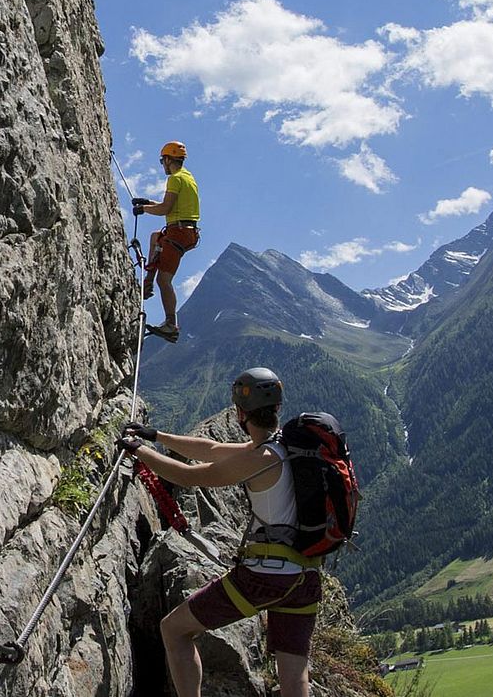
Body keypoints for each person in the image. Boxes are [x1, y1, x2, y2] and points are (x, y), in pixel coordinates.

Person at [120, 367, 321, 697]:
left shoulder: (260, 458)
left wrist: (138, 451)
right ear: (277, 408)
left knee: (174, 630)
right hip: (305, 576)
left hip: (264, 577)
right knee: (294, 672)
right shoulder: (285, 449)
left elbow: (188, 476)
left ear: (240, 413)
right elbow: (211, 449)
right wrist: (156, 436)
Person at [131, 141, 199, 342]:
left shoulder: (175, 179)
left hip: (178, 231)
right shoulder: (187, 178)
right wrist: (147, 203)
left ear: (168, 160)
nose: (163, 164)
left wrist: (144, 210)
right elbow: (168, 206)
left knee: (165, 279)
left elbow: (165, 209)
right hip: (185, 231)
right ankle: (148, 282)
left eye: (163, 160)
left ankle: (171, 324)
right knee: (155, 237)